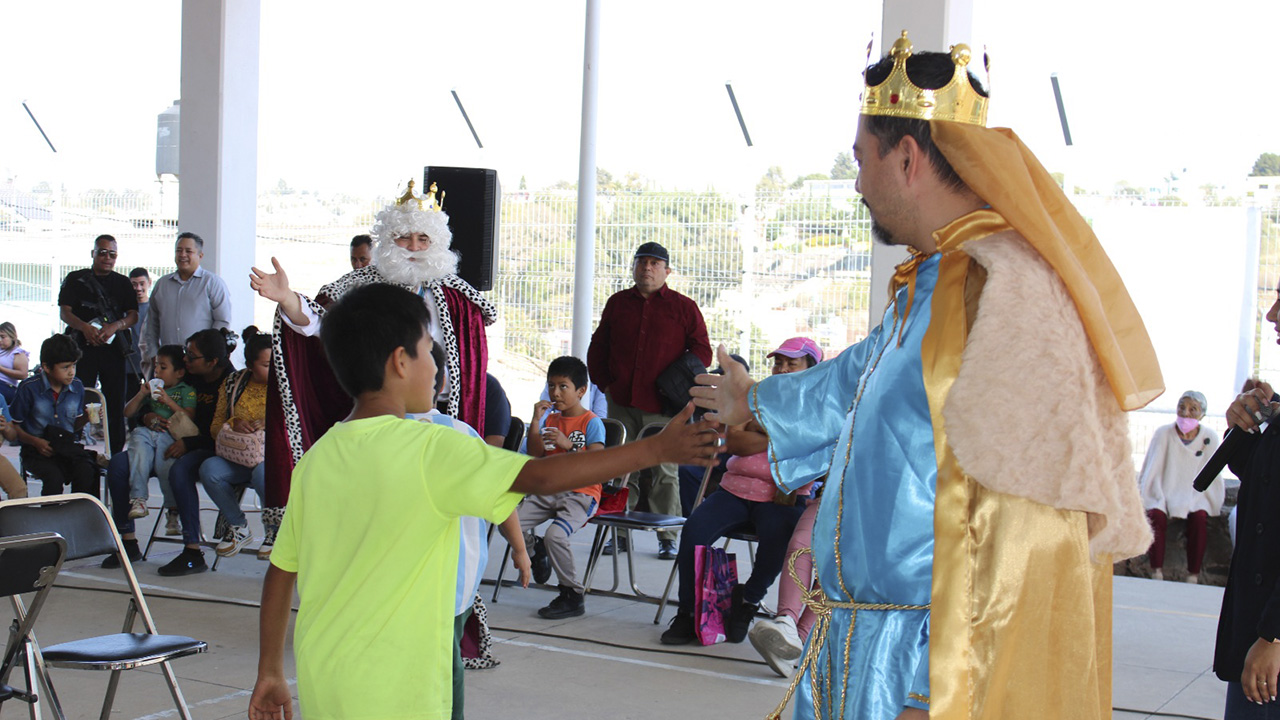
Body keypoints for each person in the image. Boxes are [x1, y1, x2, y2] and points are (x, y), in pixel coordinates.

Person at [691, 34, 1163, 720]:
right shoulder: (937, 284)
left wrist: (936, 692)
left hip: (924, 669)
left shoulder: (1001, 294)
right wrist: (751, 397)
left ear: (905, 158)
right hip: (861, 646)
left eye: (861, 160)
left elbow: (1025, 526)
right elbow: (855, 382)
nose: (857, 184)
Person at [247, 283, 720, 720]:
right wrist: (656, 449)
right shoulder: (433, 447)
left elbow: (282, 570)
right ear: (400, 362)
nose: (437, 368)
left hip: (325, 673)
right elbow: (537, 475)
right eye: (429, 353)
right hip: (397, 685)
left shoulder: (319, 456)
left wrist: (270, 670)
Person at [251, 179, 496, 559]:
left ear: (437, 243)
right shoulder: (358, 288)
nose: (413, 248)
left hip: (438, 425)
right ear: (386, 239)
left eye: (422, 239)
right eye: (403, 238)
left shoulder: (459, 300)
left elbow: (469, 374)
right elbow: (319, 325)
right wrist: (288, 300)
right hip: (376, 424)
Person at [661, 338, 820, 648]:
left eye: (792, 363)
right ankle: (687, 613)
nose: (782, 369)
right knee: (694, 530)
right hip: (734, 490)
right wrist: (784, 436)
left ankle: (747, 600)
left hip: (783, 496)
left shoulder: (816, 408)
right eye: (778, 362)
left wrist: (761, 430)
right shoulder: (756, 396)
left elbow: (809, 452)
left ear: (811, 369)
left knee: (780, 540)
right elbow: (737, 443)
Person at [417, 342, 529, 718]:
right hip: (422, 582)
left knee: (443, 666)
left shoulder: (458, 436)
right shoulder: (370, 435)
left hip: (448, 584)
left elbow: (501, 494)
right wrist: (519, 550)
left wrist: (520, 549)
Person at [588, 241, 712, 559]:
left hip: (664, 406)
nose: (647, 268)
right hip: (622, 401)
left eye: (655, 263)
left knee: (664, 472)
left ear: (667, 271)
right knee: (620, 467)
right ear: (633, 267)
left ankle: (667, 536)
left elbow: (702, 351)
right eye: (642, 262)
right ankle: (619, 533)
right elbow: (599, 344)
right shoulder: (618, 303)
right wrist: (606, 383)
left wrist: (678, 382)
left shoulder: (684, 308)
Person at [1214, 288, 1280, 716]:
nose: (1272, 314)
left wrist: (1274, 636)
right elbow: (1265, 482)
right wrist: (1244, 428)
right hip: (1258, 627)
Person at [519, 355, 607, 619]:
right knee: (508, 520)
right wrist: (535, 421)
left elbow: (598, 462)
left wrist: (568, 445)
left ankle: (572, 594)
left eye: (563, 386)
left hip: (581, 492)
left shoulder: (591, 422)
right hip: (549, 488)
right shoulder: (550, 419)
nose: (555, 393)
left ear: (581, 391)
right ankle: (536, 552)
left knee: (556, 535)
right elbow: (536, 454)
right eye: (551, 386)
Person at [152, 328, 237, 576]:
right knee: (120, 465)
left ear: (212, 362)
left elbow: (223, 435)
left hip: (216, 448)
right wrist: (147, 416)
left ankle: (192, 549)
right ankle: (126, 542)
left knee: (181, 469)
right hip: (172, 439)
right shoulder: (190, 377)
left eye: (191, 356)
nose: (185, 361)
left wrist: (189, 444)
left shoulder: (231, 384)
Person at [58, 234, 140, 454]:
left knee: (114, 403)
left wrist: (115, 326)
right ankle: (70, 448)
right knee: (75, 400)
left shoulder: (122, 283)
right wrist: (85, 327)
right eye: (102, 252)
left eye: (112, 254)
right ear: (93, 253)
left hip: (113, 351)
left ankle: (113, 457)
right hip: (81, 350)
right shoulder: (76, 279)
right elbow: (65, 312)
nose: (107, 257)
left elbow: (133, 315)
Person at [199, 327, 272, 559]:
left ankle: (275, 531)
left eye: (278, 361)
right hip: (238, 456)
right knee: (209, 469)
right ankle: (238, 526)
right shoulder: (233, 382)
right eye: (267, 365)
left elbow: (300, 426)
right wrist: (234, 422)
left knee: (263, 473)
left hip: (274, 458)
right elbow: (215, 427)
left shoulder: (289, 386)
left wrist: (270, 424)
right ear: (249, 365)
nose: (277, 369)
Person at [1139, 389, 1224, 583]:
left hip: (1194, 495)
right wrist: (1153, 493)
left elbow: (1212, 473)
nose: (1185, 413)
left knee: (1199, 518)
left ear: (1202, 414)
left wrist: (1205, 498)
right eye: (1182, 407)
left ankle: (1193, 574)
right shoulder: (1163, 434)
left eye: (1192, 409)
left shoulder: (1209, 437)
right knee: (1156, 516)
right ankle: (1156, 571)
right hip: (1164, 492)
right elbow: (1152, 468)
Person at [5, 335, 98, 496]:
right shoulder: (29, 388)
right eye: (65, 367)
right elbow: (14, 426)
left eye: (74, 366)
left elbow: (73, 427)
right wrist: (36, 442)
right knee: (54, 477)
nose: (71, 372)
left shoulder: (77, 387)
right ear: (46, 367)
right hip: (35, 451)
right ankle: (51, 517)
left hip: (66, 447)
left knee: (87, 471)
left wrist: (85, 418)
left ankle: (79, 514)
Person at [122, 344, 196, 519]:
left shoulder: (187, 391)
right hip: (149, 432)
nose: (157, 371)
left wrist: (168, 401)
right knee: (138, 446)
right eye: (155, 367)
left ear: (179, 372)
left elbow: (189, 417)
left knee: (165, 464)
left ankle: (172, 509)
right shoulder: (151, 389)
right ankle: (138, 498)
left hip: (170, 434)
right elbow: (128, 412)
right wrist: (141, 395)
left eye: (163, 367)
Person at [142, 232, 232, 362]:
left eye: (188, 251)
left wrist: (208, 352)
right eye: (179, 250)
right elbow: (152, 323)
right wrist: (153, 353)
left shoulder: (212, 283)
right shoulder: (162, 284)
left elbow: (222, 321)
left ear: (200, 255)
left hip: (199, 361)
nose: (182, 255)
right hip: (168, 362)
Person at [126, 267, 153, 399]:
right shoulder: (125, 311)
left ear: (149, 283)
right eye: (134, 284)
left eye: (142, 283)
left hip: (150, 364)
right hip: (129, 366)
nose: (138, 288)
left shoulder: (155, 308)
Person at [0, 322, 30, 404]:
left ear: (12, 336)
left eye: (3, 337)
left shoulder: (18, 353)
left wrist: (1, 369)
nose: (0, 340)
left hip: (5, 386)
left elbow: (23, 374)